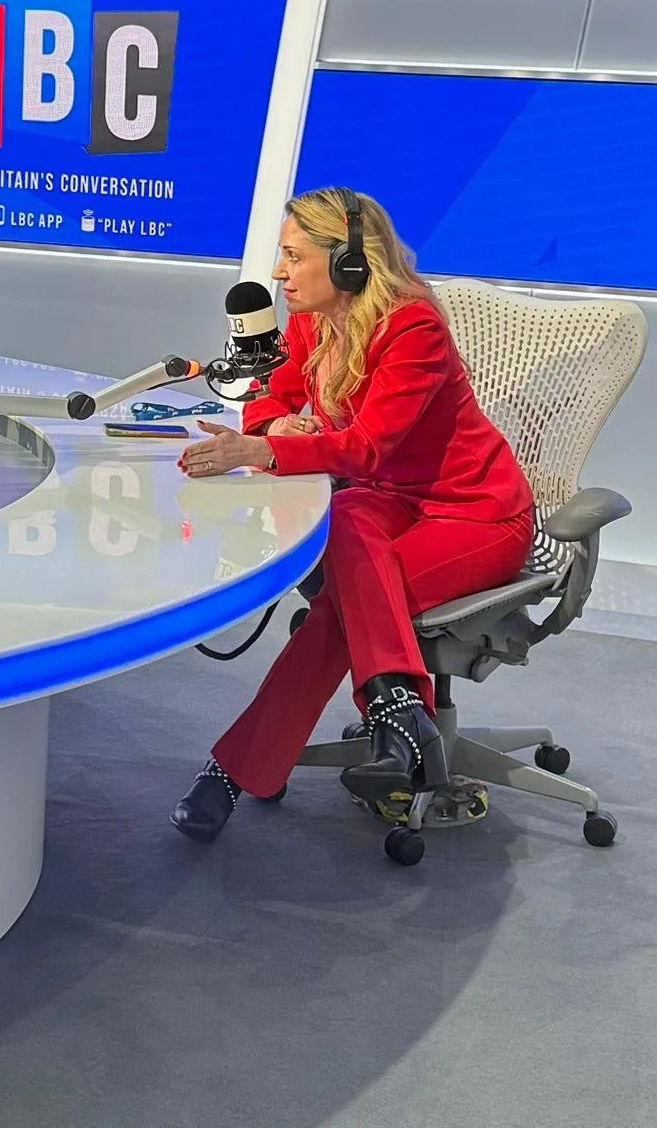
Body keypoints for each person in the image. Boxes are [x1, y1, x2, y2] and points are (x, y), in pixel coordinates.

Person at [170, 187, 535, 843]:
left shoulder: (413, 327)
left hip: (475, 514)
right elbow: (266, 397)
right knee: (348, 517)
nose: (278, 272)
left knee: (341, 610)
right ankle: (402, 719)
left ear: (348, 262)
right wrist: (275, 425)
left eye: (293, 256)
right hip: (387, 501)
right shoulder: (311, 321)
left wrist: (261, 450)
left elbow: (367, 446)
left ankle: (236, 769)